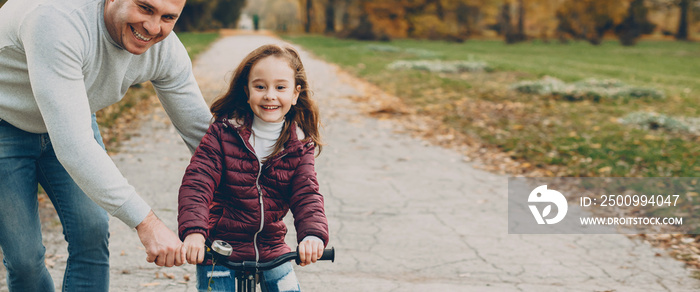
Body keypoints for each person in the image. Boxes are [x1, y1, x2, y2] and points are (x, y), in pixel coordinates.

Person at [0, 0, 212, 290]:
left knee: (91, 232)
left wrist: (255, 185)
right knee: (24, 258)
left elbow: (204, 136)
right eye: (145, 8)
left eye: (168, 17)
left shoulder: (164, 49)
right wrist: (147, 223)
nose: (152, 27)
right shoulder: (57, 21)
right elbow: (75, 149)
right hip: (5, 123)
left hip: (73, 116)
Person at [178, 44, 330, 292]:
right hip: (219, 247)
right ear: (247, 92)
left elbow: (306, 194)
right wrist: (194, 232)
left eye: (280, 87)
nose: (270, 95)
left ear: (295, 94)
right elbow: (197, 183)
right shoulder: (223, 133)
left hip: (271, 247)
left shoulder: (300, 145)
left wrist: (312, 235)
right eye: (260, 87)